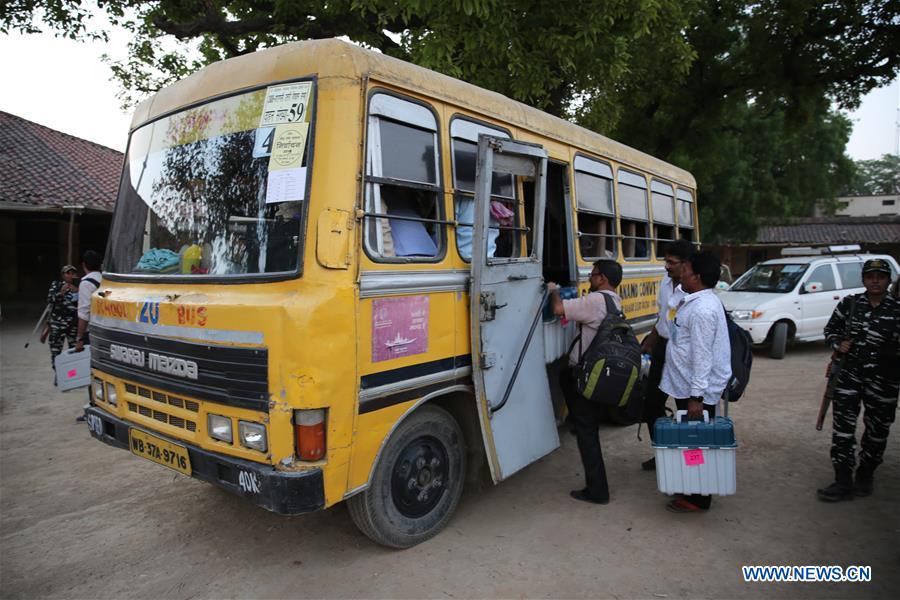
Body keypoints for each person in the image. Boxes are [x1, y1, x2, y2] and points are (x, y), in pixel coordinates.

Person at [817, 258, 900, 502]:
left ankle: (865, 475)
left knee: (877, 432)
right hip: (849, 378)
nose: (875, 281)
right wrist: (837, 343)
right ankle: (842, 481)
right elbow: (829, 330)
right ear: (863, 279)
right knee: (843, 431)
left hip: (884, 381)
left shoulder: (896, 309)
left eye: (881, 276)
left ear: (888, 279)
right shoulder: (850, 304)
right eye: (870, 276)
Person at [659, 251, 731, 512]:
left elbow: (703, 358)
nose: (681, 273)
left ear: (698, 277)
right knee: (691, 440)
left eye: (686, 270)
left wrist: (696, 399)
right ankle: (691, 486)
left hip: (695, 391)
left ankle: (698, 497)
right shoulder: (692, 299)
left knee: (696, 442)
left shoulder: (702, 310)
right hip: (685, 385)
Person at [548, 259, 624, 505]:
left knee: (587, 434)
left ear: (602, 278)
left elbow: (559, 309)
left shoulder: (595, 300)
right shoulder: (614, 300)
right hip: (600, 374)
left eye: (593, 274)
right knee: (563, 377)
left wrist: (553, 290)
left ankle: (597, 491)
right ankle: (575, 419)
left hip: (587, 374)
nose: (590, 278)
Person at [639, 239, 694, 471]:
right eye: (666, 261)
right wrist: (651, 340)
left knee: (686, 408)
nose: (666, 266)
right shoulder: (665, 281)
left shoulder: (695, 290)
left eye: (671, 262)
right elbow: (663, 316)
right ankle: (663, 452)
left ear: (687, 264)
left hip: (683, 354)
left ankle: (685, 462)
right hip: (663, 348)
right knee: (651, 404)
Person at [74, 250, 103, 422]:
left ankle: (94, 407)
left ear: (84, 265)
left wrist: (79, 338)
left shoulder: (86, 283)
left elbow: (84, 313)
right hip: (105, 330)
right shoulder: (106, 279)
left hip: (91, 332)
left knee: (90, 371)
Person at [46, 265, 80, 377]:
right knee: (56, 351)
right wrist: (61, 293)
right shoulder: (56, 285)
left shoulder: (80, 286)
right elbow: (50, 299)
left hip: (73, 324)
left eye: (72, 273)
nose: (70, 275)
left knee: (74, 351)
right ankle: (59, 375)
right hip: (57, 323)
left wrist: (78, 291)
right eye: (67, 273)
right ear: (63, 275)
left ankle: (72, 375)